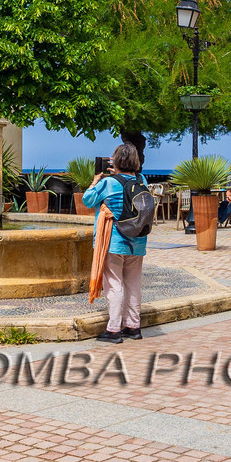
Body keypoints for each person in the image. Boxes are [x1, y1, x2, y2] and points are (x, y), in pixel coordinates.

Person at [83, 143, 149, 343]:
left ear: (116, 162)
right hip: (137, 241)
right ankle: (133, 326)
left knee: (114, 284)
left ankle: (113, 330)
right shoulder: (142, 180)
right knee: (133, 283)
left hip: (114, 241)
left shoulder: (108, 183)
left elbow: (87, 200)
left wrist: (95, 182)